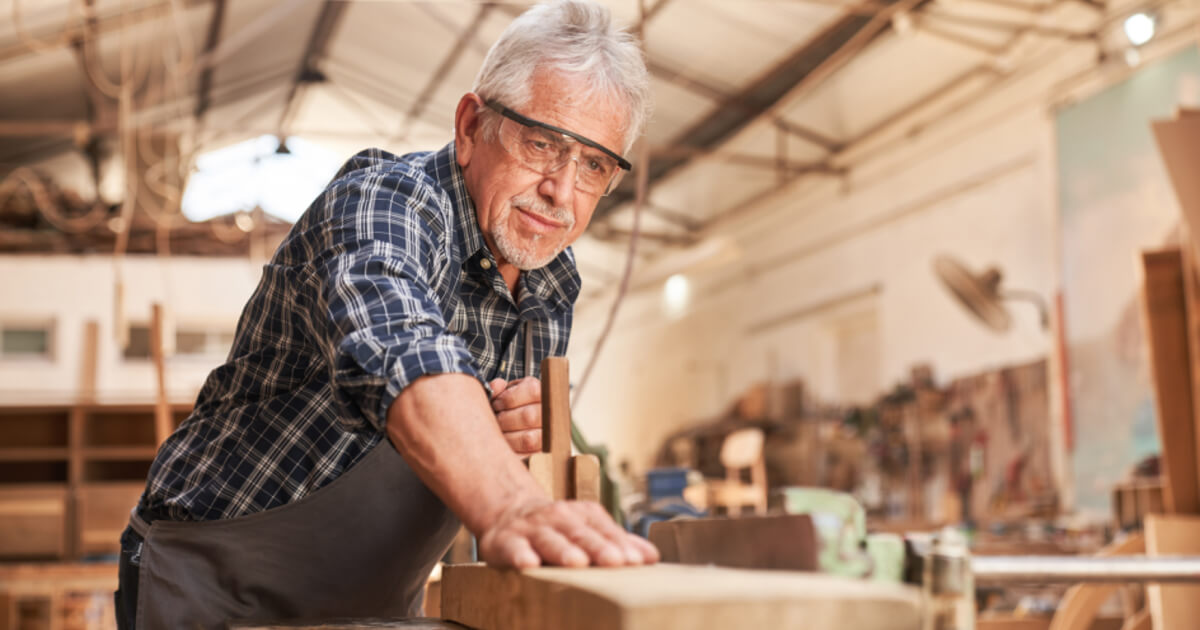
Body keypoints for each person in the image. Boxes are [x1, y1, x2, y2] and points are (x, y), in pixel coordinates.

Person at [114, 1, 658, 627]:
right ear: (469, 126)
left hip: (369, 606)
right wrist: (512, 506)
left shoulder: (549, 285)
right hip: (219, 586)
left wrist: (513, 448)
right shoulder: (383, 203)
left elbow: (464, 459)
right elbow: (399, 345)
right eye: (541, 143)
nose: (561, 190)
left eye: (593, 165)